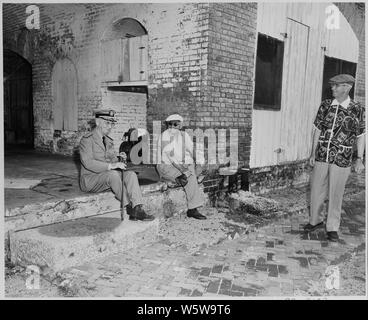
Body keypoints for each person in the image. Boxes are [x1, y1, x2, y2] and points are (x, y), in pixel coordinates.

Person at [304, 74, 365, 241]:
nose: (333, 88)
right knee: (316, 189)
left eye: (336, 86)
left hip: (342, 158)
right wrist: (312, 153)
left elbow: (361, 135)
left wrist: (359, 158)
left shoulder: (357, 109)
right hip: (322, 154)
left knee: (336, 193)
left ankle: (332, 227)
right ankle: (315, 220)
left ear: (347, 87)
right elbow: (316, 129)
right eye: (332, 85)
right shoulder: (325, 106)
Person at [79, 109, 154, 221]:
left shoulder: (108, 141)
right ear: (98, 122)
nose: (110, 126)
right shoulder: (87, 140)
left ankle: (137, 208)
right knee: (113, 174)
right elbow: (88, 163)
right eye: (107, 123)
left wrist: (119, 158)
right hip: (90, 180)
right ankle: (129, 207)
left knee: (131, 175)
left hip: (106, 176)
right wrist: (111, 166)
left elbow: (112, 160)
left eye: (112, 123)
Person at [156, 114, 207, 220]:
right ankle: (192, 208)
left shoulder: (184, 135)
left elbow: (192, 149)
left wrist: (199, 163)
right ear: (169, 125)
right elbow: (171, 157)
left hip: (180, 165)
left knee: (191, 170)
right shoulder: (165, 136)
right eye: (172, 124)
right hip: (166, 166)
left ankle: (192, 207)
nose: (174, 126)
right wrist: (184, 170)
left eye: (177, 124)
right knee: (189, 176)